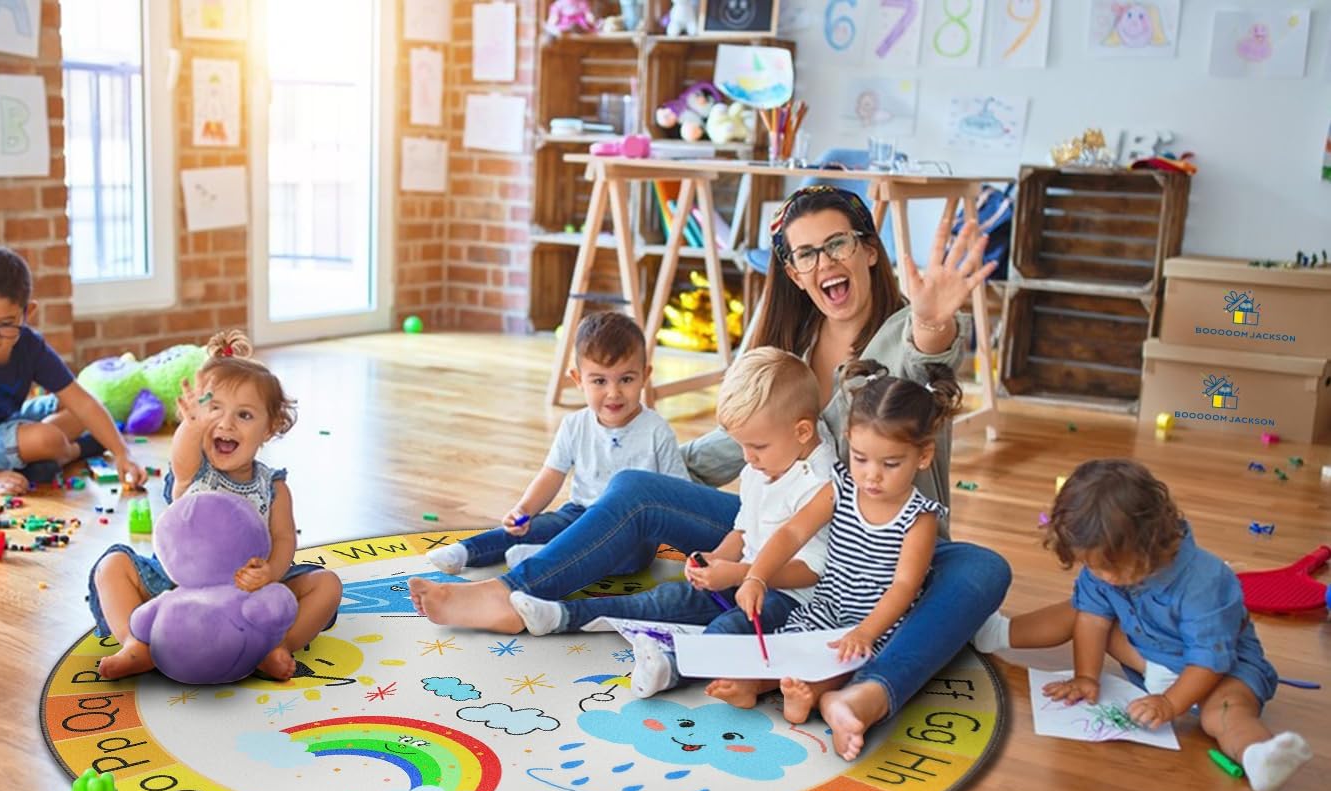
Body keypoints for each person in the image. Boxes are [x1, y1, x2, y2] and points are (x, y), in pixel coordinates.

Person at [410, 186, 1010, 760]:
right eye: (807, 252)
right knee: (636, 489)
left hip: (896, 551)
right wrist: (652, 470)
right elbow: (732, 446)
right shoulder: (794, 352)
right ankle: (516, 595)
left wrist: (933, 321)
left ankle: (870, 691)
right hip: (796, 532)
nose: (824, 260)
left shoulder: (904, 336)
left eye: (838, 243)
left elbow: (929, 353)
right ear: (796, 273)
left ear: (868, 251)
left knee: (983, 570)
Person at [973, 459, 1312, 791]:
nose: (1103, 576)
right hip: (1146, 652)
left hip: (1218, 673)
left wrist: (1169, 702)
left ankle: (1258, 756)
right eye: (1093, 566)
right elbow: (1092, 619)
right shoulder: (1107, 564)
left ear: (1150, 540)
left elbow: (1210, 660)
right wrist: (1086, 676)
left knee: (1223, 714)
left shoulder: (1204, 580)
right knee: (1078, 612)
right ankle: (993, 633)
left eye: (1110, 567)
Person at [507, 347, 833, 696]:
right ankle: (563, 615)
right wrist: (715, 559)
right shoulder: (762, 463)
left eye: (757, 447)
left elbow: (813, 571)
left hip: (792, 600)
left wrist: (742, 574)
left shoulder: (821, 482)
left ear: (801, 432)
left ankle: (670, 667)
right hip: (743, 580)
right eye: (742, 447)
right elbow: (743, 530)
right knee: (663, 600)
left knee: (727, 630)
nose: (747, 458)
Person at [733, 361, 960, 757]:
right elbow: (792, 532)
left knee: (842, 666)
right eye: (860, 458)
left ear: (923, 457)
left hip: (875, 623)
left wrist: (867, 632)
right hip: (826, 606)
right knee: (787, 649)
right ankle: (755, 686)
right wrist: (757, 577)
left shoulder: (919, 518)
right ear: (848, 441)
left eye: (890, 464)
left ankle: (813, 698)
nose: (871, 475)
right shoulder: (840, 487)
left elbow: (905, 587)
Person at [86, 331, 342, 681]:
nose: (226, 424)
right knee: (111, 566)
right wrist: (191, 427)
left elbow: (284, 540)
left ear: (270, 428)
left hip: (247, 590)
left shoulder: (273, 486)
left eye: (245, 415)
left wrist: (270, 572)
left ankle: (276, 645)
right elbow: (182, 453)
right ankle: (138, 643)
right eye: (214, 411)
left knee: (326, 584)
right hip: (178, 587)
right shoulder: (194, 470)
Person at [429, 311, 688, 576]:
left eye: (627, 379)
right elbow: (551, 475)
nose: (614, 393)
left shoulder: (657, 430)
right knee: (536, 528)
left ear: (645, 376)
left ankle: (542, 557)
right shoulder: (574, 425)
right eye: (599, 381)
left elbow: (680, 494)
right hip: (579, 514)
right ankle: (464, 551)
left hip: (633, 529)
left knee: (632, 556)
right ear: (578, 379)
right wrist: (524, 510)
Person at [0, 246, 143, 495]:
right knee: (46, 438)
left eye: (5, 324)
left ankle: (41, 458)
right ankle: (70, 451)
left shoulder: (30, 345)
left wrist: (121, 453)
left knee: (78, 410)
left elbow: (82, 403)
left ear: (27, 312)